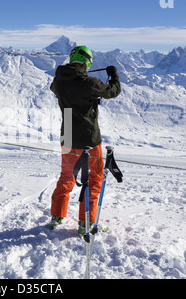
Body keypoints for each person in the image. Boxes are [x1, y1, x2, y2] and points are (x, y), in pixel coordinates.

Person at [49, 46, 121, 236]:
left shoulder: (58, 81)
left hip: (68, 135)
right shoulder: (90, 83)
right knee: (94, 178)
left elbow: (55, 86)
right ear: (87, 61)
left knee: (66, 176)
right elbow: (114, 91)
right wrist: (114, 75)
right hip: (89, 137)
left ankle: (56, 217)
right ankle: (86, 223)